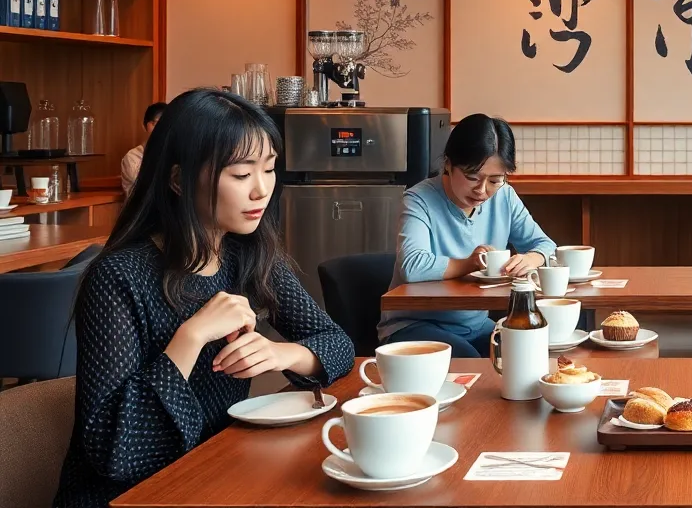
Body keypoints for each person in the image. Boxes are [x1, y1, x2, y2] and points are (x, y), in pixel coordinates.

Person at [54, 89, 354, 508]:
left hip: (213, 474)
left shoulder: (247, 255)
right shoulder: (118, 277)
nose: (262, 190)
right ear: (178, 179)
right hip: (129, 495)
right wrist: (190, 337)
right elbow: (114, 452)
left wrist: (282, 354)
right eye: (241, 174)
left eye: (268, 169)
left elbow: (337, 343)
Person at [378, 113, 554, 358]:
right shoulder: (420, 199)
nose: (482, 190)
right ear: (448, 165)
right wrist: (469, 263)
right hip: (414, 325)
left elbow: (545, 244)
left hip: (474, 324)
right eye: (472, 177)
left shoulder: (505, 197)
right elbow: (412, 266)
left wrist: (532, 258)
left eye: (495, 180)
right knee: (473, 363)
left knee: (528, 353)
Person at [120, 101, 167, 195]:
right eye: (155, 124)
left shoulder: (174, 152)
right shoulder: (132, 157)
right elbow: (147, 187)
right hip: (142, 208)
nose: (160, 129)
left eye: (165, 124)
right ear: (144, 125)